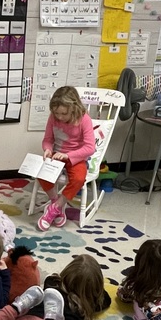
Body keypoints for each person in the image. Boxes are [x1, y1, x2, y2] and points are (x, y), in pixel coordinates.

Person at [37, 85, 95, 231]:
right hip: (57, 154)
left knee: (78, 179)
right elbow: (47, 139)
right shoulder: (53, 118)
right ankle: (56, 203)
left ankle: (55, 207)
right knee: (41, 172)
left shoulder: (84, 119)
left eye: (64, 114)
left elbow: (90, 148)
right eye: (56, 113)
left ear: (73, 109)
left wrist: (68, 156)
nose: (59, 117)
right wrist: (47, 150)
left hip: (76, 157)